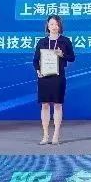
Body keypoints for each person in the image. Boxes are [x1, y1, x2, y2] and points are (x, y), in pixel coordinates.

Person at [33, 15, 75, 145]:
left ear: (60, 26)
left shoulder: (65, 41)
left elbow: (72, 58)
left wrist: (62, 54)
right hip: (44, 78)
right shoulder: (42, 42)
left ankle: (56, 135)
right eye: (51, 24)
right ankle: (45, 135)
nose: (54, 27)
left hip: (58, 77)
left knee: (58, 105)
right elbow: (35, 60)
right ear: (47, 26)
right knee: (45, 105)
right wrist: (38, 70)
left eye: (56, 24)